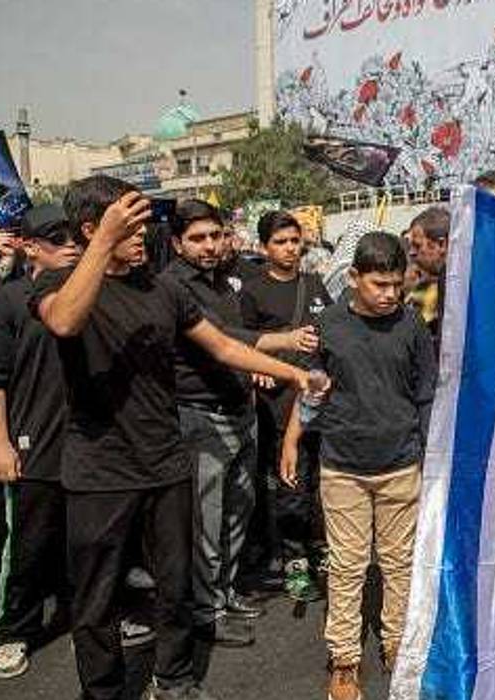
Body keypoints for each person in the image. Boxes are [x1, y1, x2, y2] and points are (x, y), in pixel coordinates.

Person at [30, 176, 312, 700]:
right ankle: (104, 691)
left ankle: (176, 678)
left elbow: (224, 347)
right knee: (96, 599)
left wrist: (292, 372)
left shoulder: (164, 288)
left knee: (175, 583)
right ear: (93, 229)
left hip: (166, 461)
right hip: (99, 469)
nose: (143, 238)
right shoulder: (58, 283)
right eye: (130, 227)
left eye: (143, 227)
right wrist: (99, 242)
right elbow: (66, 323)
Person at [279, 232, 435, 700]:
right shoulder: (327, 327)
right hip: (342, 465)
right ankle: (345, 660)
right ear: (353, 279)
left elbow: (425, 395)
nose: (390, 294)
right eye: (379, 284)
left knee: (400, 564)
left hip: (402, 464)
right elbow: (311, 388)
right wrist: (291, 440)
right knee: (346, 567)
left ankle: (397, 644)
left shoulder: (412, 325)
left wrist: (430, 458)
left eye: (397, 284)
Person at [162, 200, 323, 647]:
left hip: (239, 409)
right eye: (197, 238)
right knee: (206, 518)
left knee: (238, 510)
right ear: (177, 243)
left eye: (216, 235)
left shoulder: (224, 280)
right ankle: (206, 609)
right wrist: (285, 347)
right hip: (200, 414)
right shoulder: (175, 285)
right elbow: (225, 342)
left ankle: (224, 592)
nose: (210, 246)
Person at [0, 203, 80, 679]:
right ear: (30, 246)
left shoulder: (95, 294)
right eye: (58, 239)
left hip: (91, 452)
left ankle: (87, 620)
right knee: (26, 549)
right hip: (32, 447)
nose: (72, 245)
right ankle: (12, 630)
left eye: (76, 236)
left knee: (89, 545)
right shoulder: (10, 301)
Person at [240, 210, 334, 603]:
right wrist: (257, 371)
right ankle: (294, 561)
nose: (290, 249)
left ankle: (321, 549)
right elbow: (240, 345)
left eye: (295, 241)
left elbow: (330, 332)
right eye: (281, 242)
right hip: (277, 403)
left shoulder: (313, 284)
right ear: (264, 248)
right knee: (289, 481)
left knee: (321, 481)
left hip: (316, 400)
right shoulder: (251, 291)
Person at [405, 206, 450, 344]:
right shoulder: (435, 282)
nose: (411, 252)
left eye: (417, 246)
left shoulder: (458, 282)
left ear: (442, 244)